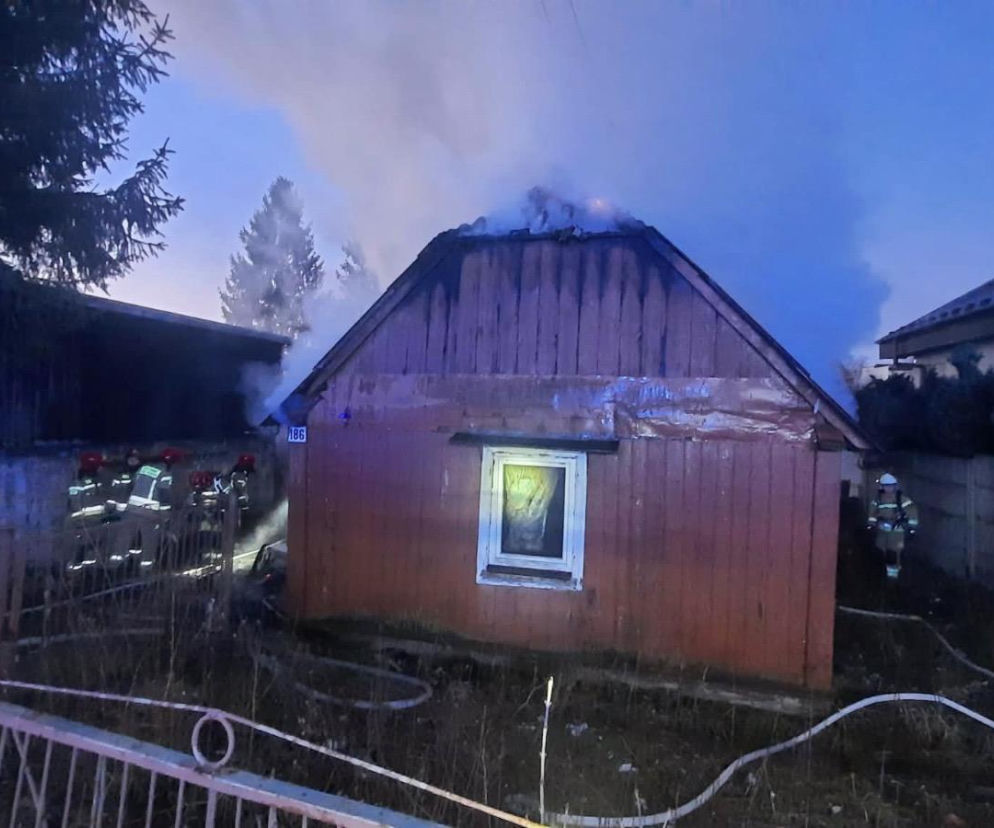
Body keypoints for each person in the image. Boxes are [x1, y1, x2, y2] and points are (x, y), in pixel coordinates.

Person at [867, 472, 919, 579]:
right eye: (886, 486)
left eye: (890, 486)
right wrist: (871, 525)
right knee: (880, 552)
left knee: (893, 554)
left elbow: (912, 514)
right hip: (882, 531)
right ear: (881, 486)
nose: (888, 488)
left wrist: (912, 529)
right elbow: (872, 513)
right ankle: (880, 576)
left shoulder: (902, 499)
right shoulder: (877, 500)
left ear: (895, 486)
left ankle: (893, 578)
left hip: (896, 532)